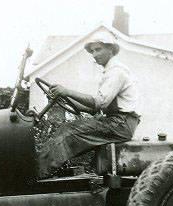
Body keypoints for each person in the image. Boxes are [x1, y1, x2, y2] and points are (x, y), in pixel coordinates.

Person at [38, 32, 140, 178]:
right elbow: (91, 108)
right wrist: (63, 96)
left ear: (111, 50)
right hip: (118, 122)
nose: (94, 54)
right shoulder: (110, 71)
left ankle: (38, 176)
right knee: (68, 130)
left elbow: (98, 103)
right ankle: (56, 171)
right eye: (92, 51)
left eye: (98, 49)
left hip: (121, 123)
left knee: (67, 131)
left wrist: (67, 91)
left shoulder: (117, 72)